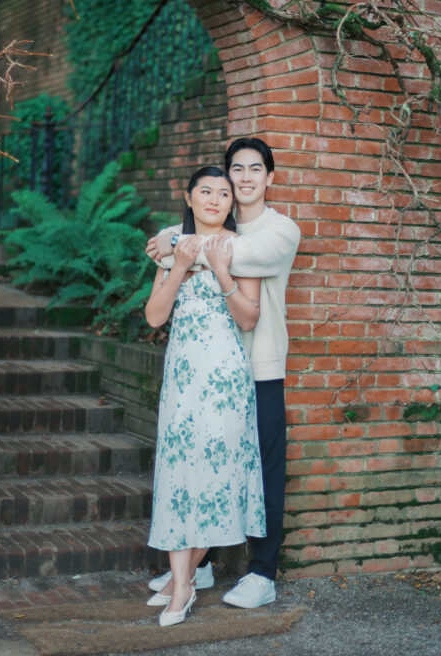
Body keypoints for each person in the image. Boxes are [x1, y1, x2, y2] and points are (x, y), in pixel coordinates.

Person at [145, 137, 300, 609]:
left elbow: (230, 254)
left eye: (257, 169)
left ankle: (262, 572)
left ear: (270, 178)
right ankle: (197, 566)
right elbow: (173, 264)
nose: (246, 177)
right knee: (205, 463)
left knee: (260, 469)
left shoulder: (279, 230)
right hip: (200, 369)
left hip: (257, 364)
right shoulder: (206, 224)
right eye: (238, 169)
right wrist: (179, 241)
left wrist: (176, 242)